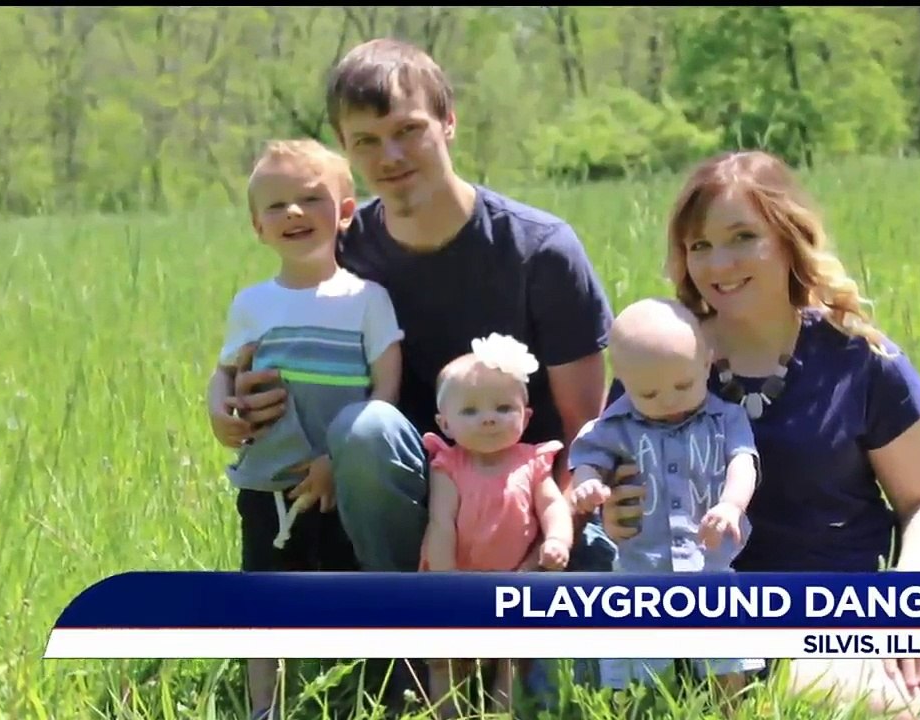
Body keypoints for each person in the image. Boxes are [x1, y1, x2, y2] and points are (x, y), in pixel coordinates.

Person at [596, 150, 920, 719]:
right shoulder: (661, 356)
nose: (719, 263)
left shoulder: (861, 358)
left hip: (873, 591)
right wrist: (617, 515)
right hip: (752, 618)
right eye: (699, 245)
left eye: (741, 237)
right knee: (876, 707)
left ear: (788, 237)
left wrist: (908, 607)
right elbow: (617, 494)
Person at [212, 38, 617, 708]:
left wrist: (550, 538)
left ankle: (511, 635)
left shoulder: (539, 250)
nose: (391, 158)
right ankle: (412, 638)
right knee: (365, 428)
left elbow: (585, 427)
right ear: (345, 147)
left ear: (448, 122)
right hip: (403, 505)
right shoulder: (344, 249)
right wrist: (222, 404)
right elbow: (261, 337)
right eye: (366, 142)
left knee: (573, 689)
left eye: (409, 131)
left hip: (529, 507)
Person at [205, 138, 404, 720]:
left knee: (349, 587)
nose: (293, 213)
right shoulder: (253, 303)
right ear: (256, 227)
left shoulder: (367, 300)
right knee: (264, 596)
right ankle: (266, 706)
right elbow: (225, 372)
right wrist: (220, 413)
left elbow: (385, 387)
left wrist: (339, 464)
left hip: (340, 480)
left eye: (310, 199)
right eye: (276, 206)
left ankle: (365, 697)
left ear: (345, 212)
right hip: (270, 480)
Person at [567, 297, 763, 712]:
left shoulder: (725, 418)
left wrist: (731, 505)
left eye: (683, 385)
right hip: (640, 568)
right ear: (623, 380)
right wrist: (586, 486)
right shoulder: (615, 425)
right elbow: (587, 460)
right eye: (649, 392)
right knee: (630, 660)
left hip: (710, 564)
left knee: (726, 651)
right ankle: (633, 708)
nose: (669, 400)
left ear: (706, 363)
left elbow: (743, 462)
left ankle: (732, 708)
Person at [420, 333, 575, 716]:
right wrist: (445, 577)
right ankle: (447, 710)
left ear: (526, 416)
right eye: (470, 411)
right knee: (444, 657)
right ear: (445, 424)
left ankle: (501, 710)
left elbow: (554, 505)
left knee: (509, 655)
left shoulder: (533, 463)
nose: (488, 417)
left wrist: (557, 539)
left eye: (503, 407)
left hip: (514, 578)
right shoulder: (448, 466)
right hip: (454, 575)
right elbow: (441, 523)